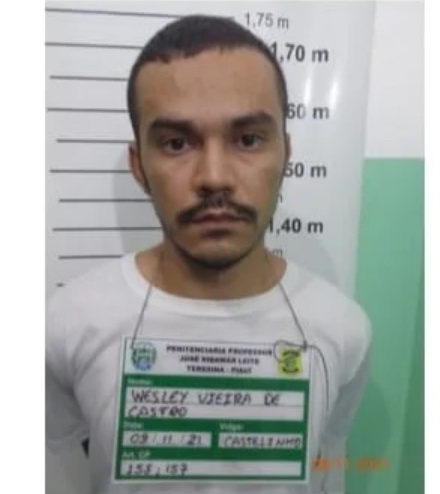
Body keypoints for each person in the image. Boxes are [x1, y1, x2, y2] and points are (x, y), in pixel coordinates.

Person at [46, 15, 372, 494]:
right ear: (139, 165)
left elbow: (330, 473)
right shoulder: (67, 324)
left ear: (286, 153)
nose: (214, 177)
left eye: (248, 139)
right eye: (176, 143)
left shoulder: (343, 329)